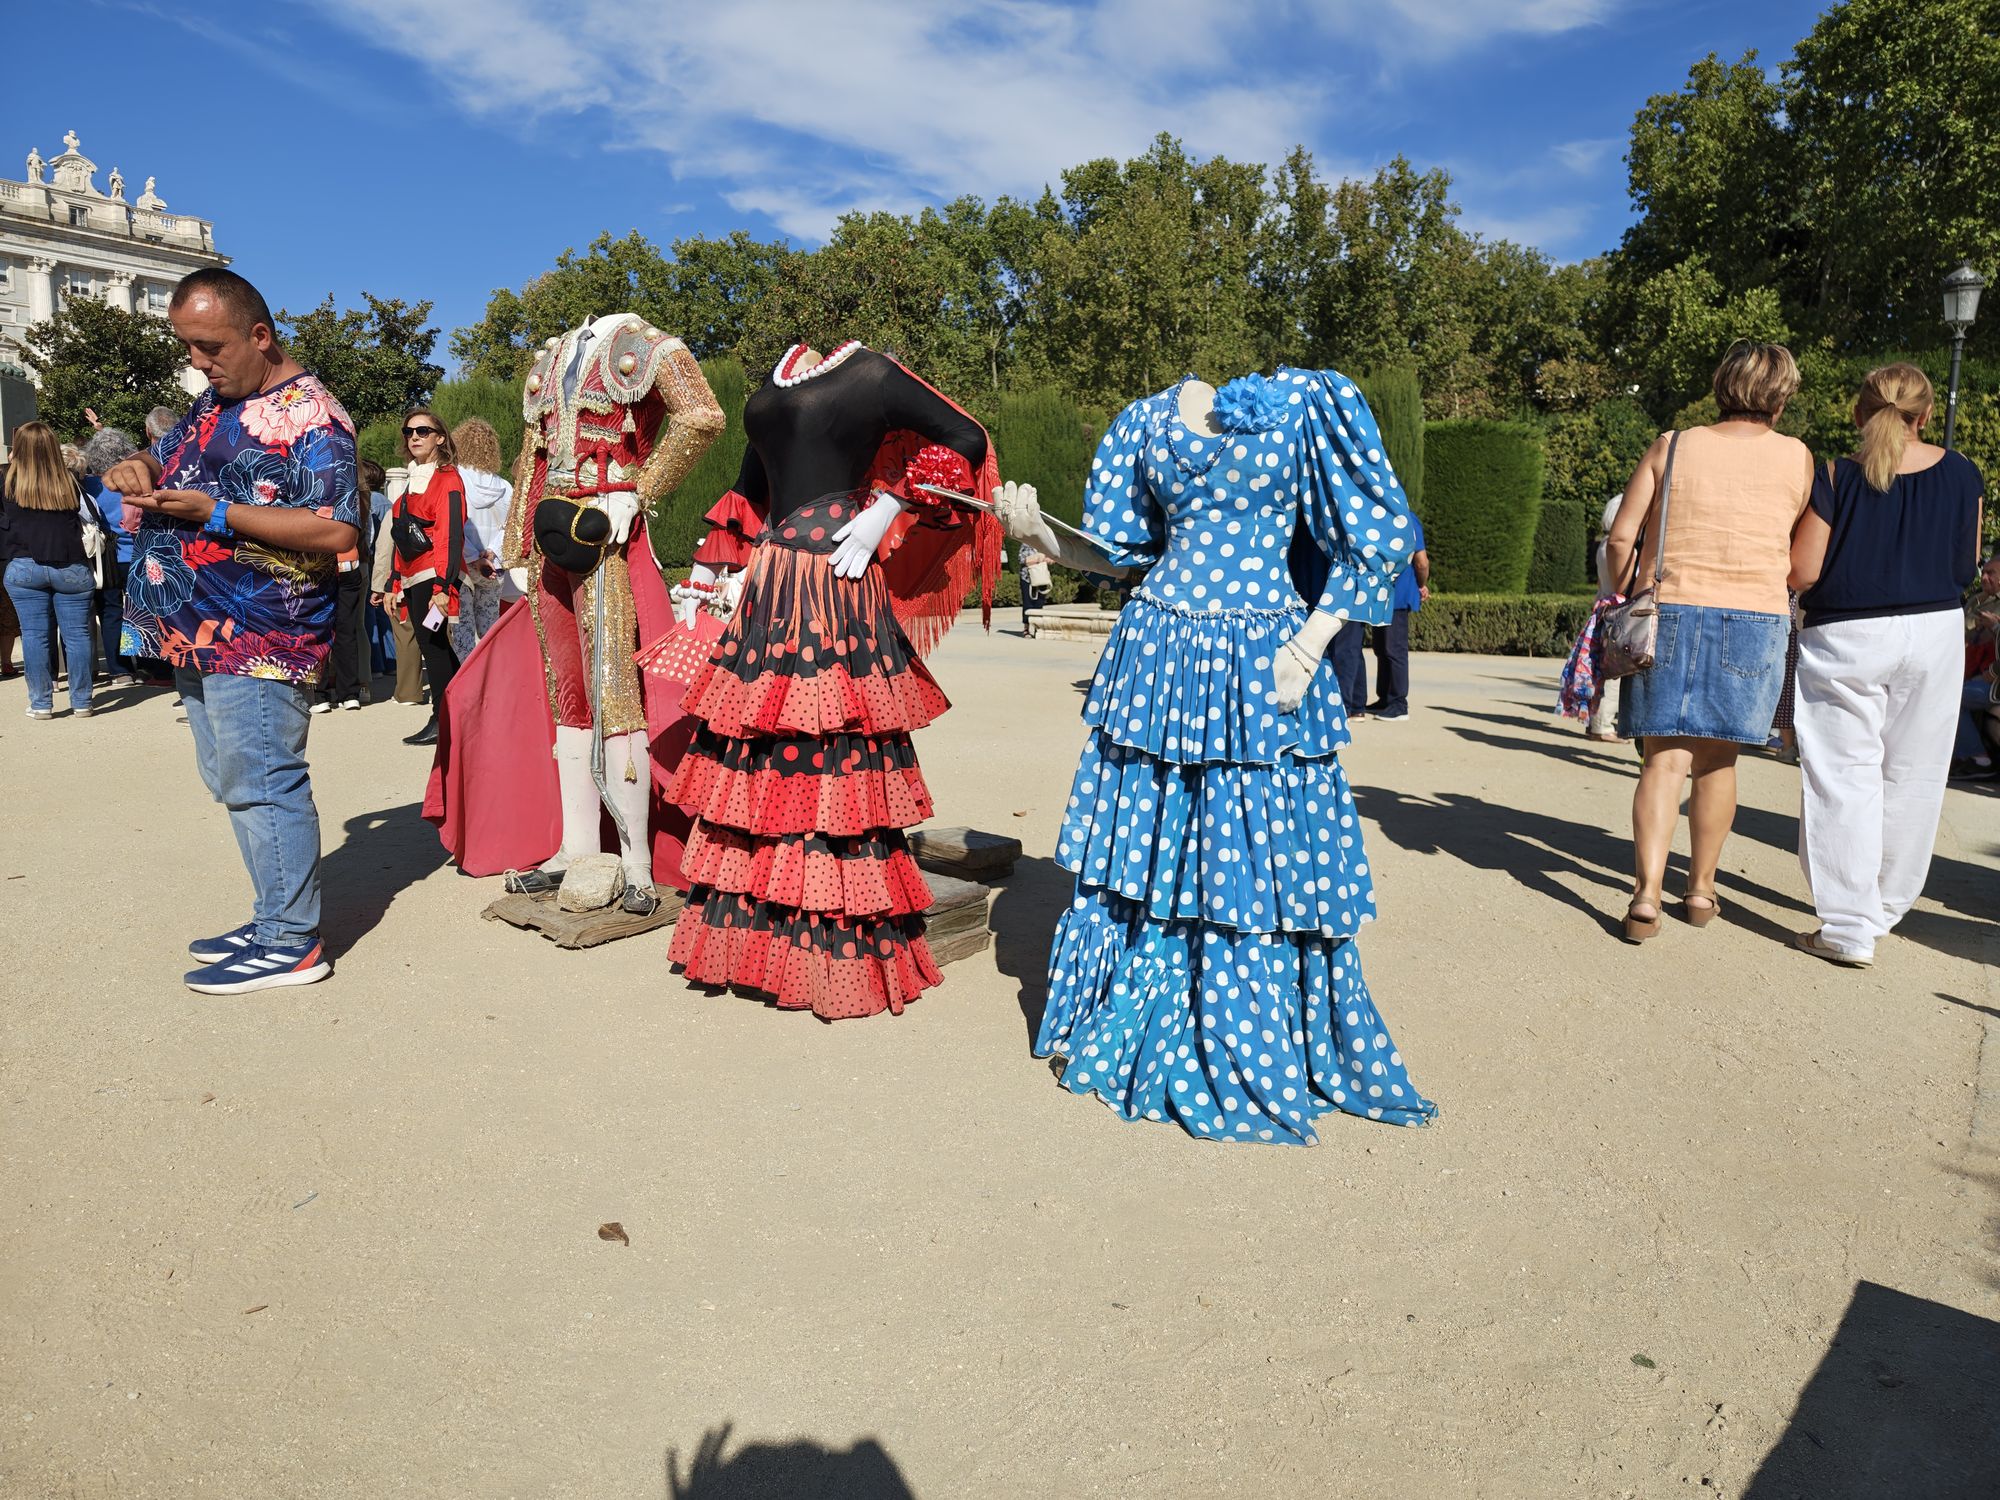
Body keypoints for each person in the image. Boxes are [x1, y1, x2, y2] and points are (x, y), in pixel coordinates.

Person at [996, 367, 1432, 1145]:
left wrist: (1314, 637)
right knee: (1156, 832)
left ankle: (1248, 1034)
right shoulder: (1143, 418)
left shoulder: (1309, 402)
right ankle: (1146, 1004)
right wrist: (1037, 538)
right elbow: (1120, 549)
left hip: (1264, 650)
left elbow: (1379, 533)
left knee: (1253, 842)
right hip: (1157, 648)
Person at [666, 340, 995, 1015]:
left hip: (836, 579)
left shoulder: (872, 371)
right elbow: (752, 483)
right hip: (772, 578)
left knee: (830, 741)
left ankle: (831, 954)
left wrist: (887, 509)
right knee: (762, 744)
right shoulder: (777, 371)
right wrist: (709, 561)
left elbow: (965, 438)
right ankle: (762, 943)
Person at [99, 267, 360, 994]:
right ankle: (275, 913)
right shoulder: (215, 402)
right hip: (195, 627)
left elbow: (335, 526)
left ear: (260, 335)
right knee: (233, 780)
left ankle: (291, 944)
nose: (198, 362)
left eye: (210, 346)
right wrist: (136, 464)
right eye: (188, 346)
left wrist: (213, 513)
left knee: (264, 781)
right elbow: (170, 452)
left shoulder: (315, 416)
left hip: (258, 630)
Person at [1602, 342, 1812, 942]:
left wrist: (1622, 595)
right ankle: (1699, 890)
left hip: (1668, 609)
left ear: (1723, 384)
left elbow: (1622, 540)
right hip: (1754, 617)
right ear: (1781, 395)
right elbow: (1799, 557)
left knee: (1662, 760)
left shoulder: (1674, 445)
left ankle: (1645, 896)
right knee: (1719, 760)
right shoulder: (1798, 458)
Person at [1788, 363, 1986, 967]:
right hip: (1934, 631)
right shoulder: (1963, 473)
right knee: (1915, 773)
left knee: (1843, 775)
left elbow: (1804, 570)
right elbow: (1968, 566)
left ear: (1859, 411)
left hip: (1846, 633)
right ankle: (1883, 908)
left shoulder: (1836, 475)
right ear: (1925, 415)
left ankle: (1848, 927)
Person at [1, 421, 99, 719]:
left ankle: (41, 703)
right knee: (78, 635)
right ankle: (82, 701)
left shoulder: (6, 480)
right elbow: (91, 516)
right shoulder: (68, 480)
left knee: (34, 635)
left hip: (23, 564)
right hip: (70, 563)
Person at [381, 408, 466, 746]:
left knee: (434, 648)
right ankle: (459, 713)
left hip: (435, 577)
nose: (414, 436)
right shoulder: (413, 480)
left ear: (440, 437)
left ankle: (444, 719)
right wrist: (394, 583)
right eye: (409, 431)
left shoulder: (447, 478)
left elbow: (450, 533)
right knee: (436, 648)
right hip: (414, 577)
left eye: (422, 431)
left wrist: (443, 586)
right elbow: (402, 538)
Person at [447, 416, 513, 659]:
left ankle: (467, 679)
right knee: (490, 627)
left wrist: (474, 556)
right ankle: (492, 675)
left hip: (464, 565)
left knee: (461, 628)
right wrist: (492, 552)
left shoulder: (454, 479)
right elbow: (511, 526)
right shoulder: (505, 486)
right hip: (493, 565)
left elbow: (454, 524)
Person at [82, 427, 140, 687]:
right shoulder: (134, 481)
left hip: (102, 557)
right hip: (135, 553)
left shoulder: (89, 485)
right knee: (142, 611)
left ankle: (117, 669)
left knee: (107, 611)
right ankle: (151, 666)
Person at [366, 461, 424, 706]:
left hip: (402, 575)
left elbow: (383, 548)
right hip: (438, 574)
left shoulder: (398, 505)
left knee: (404, 632)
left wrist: (378, 585)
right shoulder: (446, 497)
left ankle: (407, 690)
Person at [1369, 511, 1428, 720]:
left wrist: (1420, 585)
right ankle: (1385, 698)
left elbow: (1421, 562)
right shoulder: (1402, 518)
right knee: (1383, 648)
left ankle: (1398, 703)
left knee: (1393, 649)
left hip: (1397, 594)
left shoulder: (1406, 520)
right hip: (1386, 593)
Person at [1951, 553, 2000, 779]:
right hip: (1967, 668)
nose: (1985, 577)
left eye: (1992, 573)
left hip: (1992, 682)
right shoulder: (1976, 600)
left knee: (1951, 698)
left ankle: (1979, 759)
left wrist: (1995, 628)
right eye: (1985, 572)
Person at [1587, 493, 1627, 741]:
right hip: (1617, 611)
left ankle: (1597, 722)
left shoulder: (1603, 545)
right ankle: (1603, 726)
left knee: (1603, 669)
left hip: (1602, 607)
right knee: (1615, 672)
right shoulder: (1617, 546)